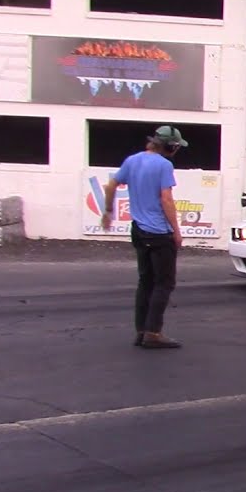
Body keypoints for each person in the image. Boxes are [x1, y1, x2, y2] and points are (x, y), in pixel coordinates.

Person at [99, 125, 187, 349]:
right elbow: (166, 199)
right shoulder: (164, 165)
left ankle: (141, 330)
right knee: (164, 283)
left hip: (138, 230)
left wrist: (108, 211)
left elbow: (111, 185)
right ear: (171, 146)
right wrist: (176, 231)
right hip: (159, 232)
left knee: (145, 281)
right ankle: (153, 332)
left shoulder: (132, 160)